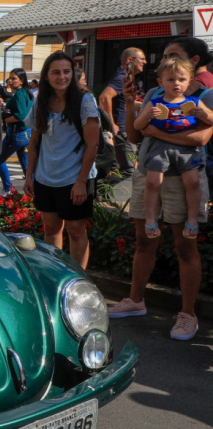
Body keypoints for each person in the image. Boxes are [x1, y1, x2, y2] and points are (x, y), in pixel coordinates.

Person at [110, 40, 213, 341]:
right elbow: (132, 134)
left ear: (192, 66)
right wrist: (130, 104)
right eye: (165, 57)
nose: (167, 62)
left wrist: (154, 131)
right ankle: (136, 299)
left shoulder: (205, 96)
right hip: (150, 172)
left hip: (183, 178)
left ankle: (188, 314)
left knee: (185, 247)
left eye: (173, 56)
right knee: (144, 240)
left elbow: (202, 138)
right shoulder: (156, 93)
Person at [23, 51, 100, 269]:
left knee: (76, 231)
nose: (62, 77)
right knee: (51, 230)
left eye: (67, 72)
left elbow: (92, 145)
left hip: (75, 179)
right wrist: (29, 176)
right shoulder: (40, 102)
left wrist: (81, 182)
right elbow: (34, 143)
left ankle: (77, 280)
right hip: (45, 178)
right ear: (46, 76)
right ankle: (55, 275)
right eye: (56, 72)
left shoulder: (85, 101)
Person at [132, 56, 210, 239]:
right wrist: (147, 115)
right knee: (152, 183)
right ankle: (150, 221)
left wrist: (204, 115)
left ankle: (192, 221)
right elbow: (137, 126)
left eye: (182, 79)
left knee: (192, 182)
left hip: (187, 150)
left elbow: (211, 121)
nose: (177, 84)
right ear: (160, 82)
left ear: (189, 81)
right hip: (158, 148)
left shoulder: (195, 102)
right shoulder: (154, 102)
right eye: (171, 79)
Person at [99, 47, 146, 180]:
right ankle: (98, 190)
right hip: (122, 131)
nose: (145, 62)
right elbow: (104, 97)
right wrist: (111, 123)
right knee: (129, 170)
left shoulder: (125, 78)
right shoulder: (121, 78)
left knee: (124, 168)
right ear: (130, 60)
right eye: (142, 59)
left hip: (126, 129)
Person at [0, 68, 33, 194]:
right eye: (10, 78)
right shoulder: (26, 93)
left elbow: (21, 115)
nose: (10, 81)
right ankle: (33, 190)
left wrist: (4, 120)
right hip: (27, 132)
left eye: (14, 78)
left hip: (17, 133)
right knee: (25, 163)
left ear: (21, 81)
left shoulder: (19, 94)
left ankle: (8, 189)